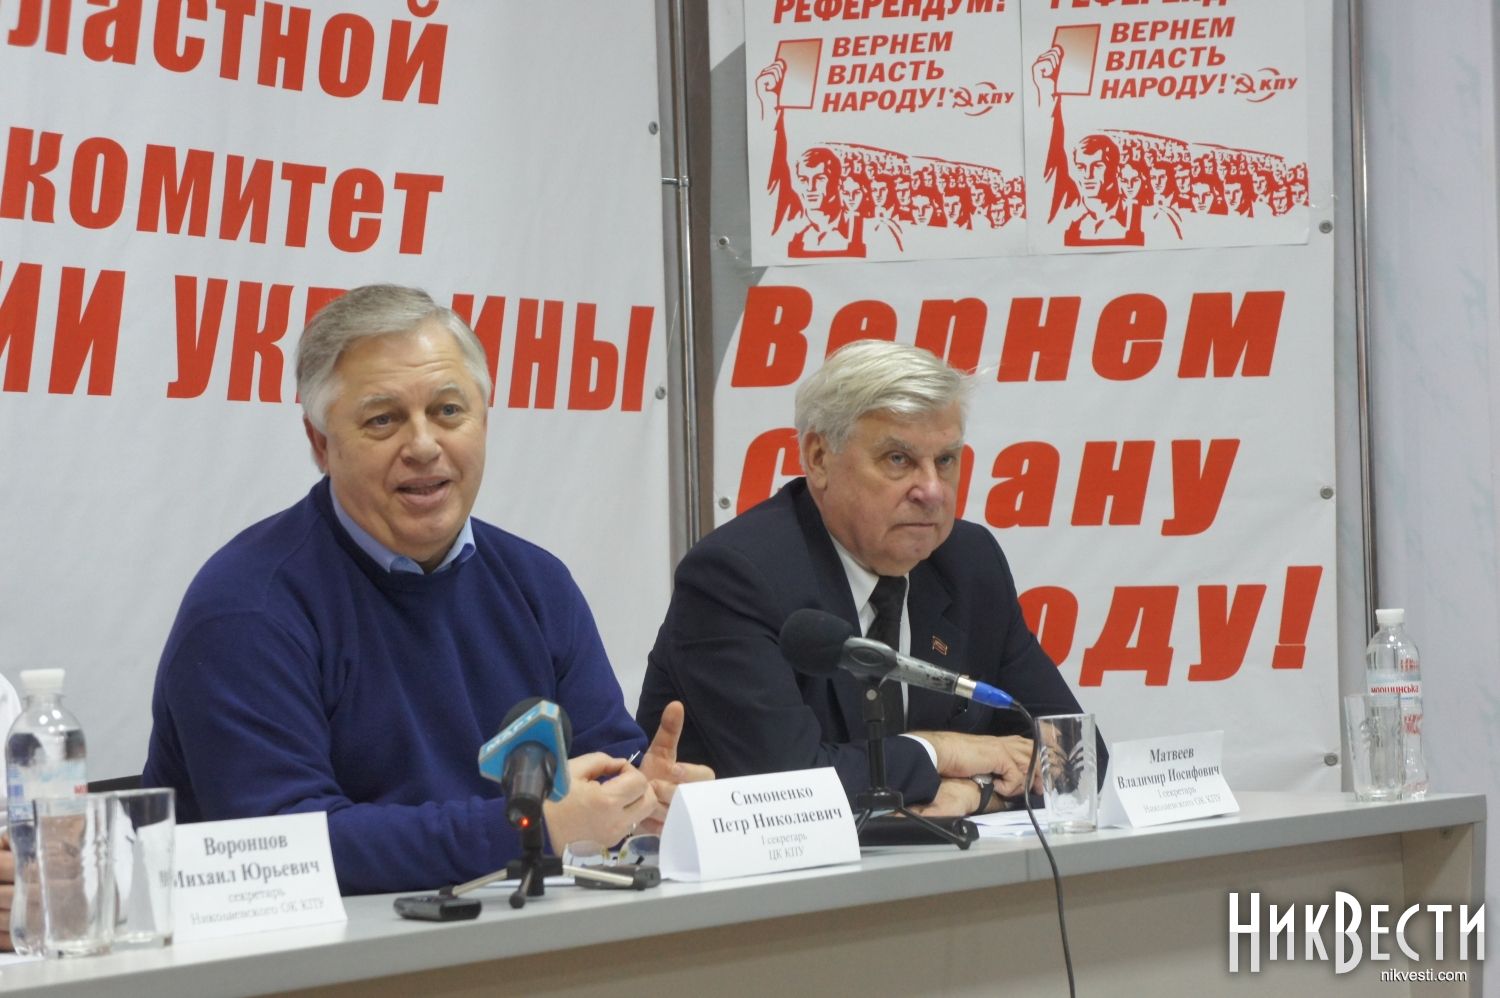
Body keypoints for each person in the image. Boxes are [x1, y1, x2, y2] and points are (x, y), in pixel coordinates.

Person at [142, 285, 710, 895]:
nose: (422, 446)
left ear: (484, 421)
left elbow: (603, 769)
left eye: (447, 411)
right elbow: (282, 845)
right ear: (320, 444)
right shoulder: (246, 609)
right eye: (382, 420)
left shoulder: (537, 584)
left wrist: (642, 797)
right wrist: (528, 828)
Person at [637, 341, 1101, 816]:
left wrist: (976, 792)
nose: (932, 491)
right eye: (898, 459)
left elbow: (1078, 757)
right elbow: (790, 785)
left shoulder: (968, 562)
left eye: (945, 460)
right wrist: (941, 750)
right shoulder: (736, 577)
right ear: (819, 458)